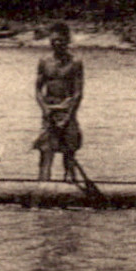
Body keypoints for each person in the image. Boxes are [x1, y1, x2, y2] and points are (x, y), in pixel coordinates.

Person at [33, 22, 84, 181]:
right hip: (49, 111)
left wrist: (68, 116)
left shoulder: (75, 63)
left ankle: (70, 186)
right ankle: (42, 188)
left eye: (60, 40)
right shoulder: (44, 61)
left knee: (69, 152)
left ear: (67, 41)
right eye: (53, 40)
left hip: (67, 110)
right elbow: (37, 90)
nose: (56, 44)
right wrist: (45, 109)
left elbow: (78, 93)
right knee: (45, 152)